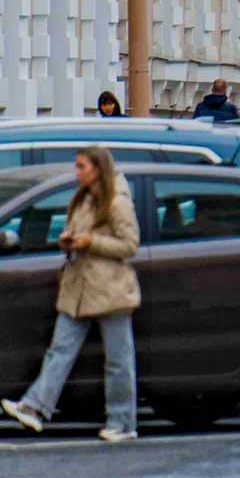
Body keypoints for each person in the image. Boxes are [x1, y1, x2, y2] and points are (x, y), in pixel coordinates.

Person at [2, 147, 142, 442]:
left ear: (97, 168)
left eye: (82, 166)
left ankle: (123, 422)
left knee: (118, 359)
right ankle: (36, 407)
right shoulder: (83, 198)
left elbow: (129, 246)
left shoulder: (116, 202)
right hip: (78, 287)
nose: (77, 172)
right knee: (60, 351)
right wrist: (67, 241)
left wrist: (91, 241)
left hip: (110, 288)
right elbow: (77, 233)